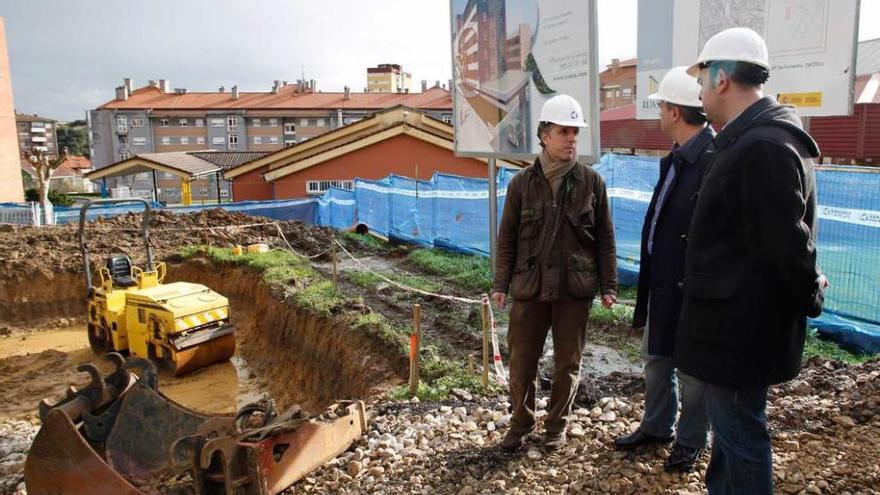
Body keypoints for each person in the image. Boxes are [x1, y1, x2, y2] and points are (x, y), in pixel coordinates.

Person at [677, 27, 826, 494]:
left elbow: (785, 246)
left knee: (741, 435)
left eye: (702, 79)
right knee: (731, 431)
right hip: (734, 326)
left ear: (722, 79)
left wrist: (811, 293)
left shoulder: (761, 147)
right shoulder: (751, 140)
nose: (699, 91)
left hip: (740, 331)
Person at [492, 94, 618, 452]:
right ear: (544, 135)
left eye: (575, 132)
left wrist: (608, 285)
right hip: (529, 289)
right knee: (521, 364)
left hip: (572, 290)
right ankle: (520, 422)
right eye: (564, 131)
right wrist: (501, 284)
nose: (572, 139)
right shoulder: (521, 184)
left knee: (567, 365)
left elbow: (606, 240)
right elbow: (507, 240)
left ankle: (555, 427)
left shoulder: (592, 183)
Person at [614, 67, 712, 473]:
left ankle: (690, 441)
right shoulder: (676, 157)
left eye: (661, 107)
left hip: (692, 288)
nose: (658, 114)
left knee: (691, 371)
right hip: (663, 283)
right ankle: (657, 427)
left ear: (674, 111)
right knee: (656, 357)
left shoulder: (711, 159)